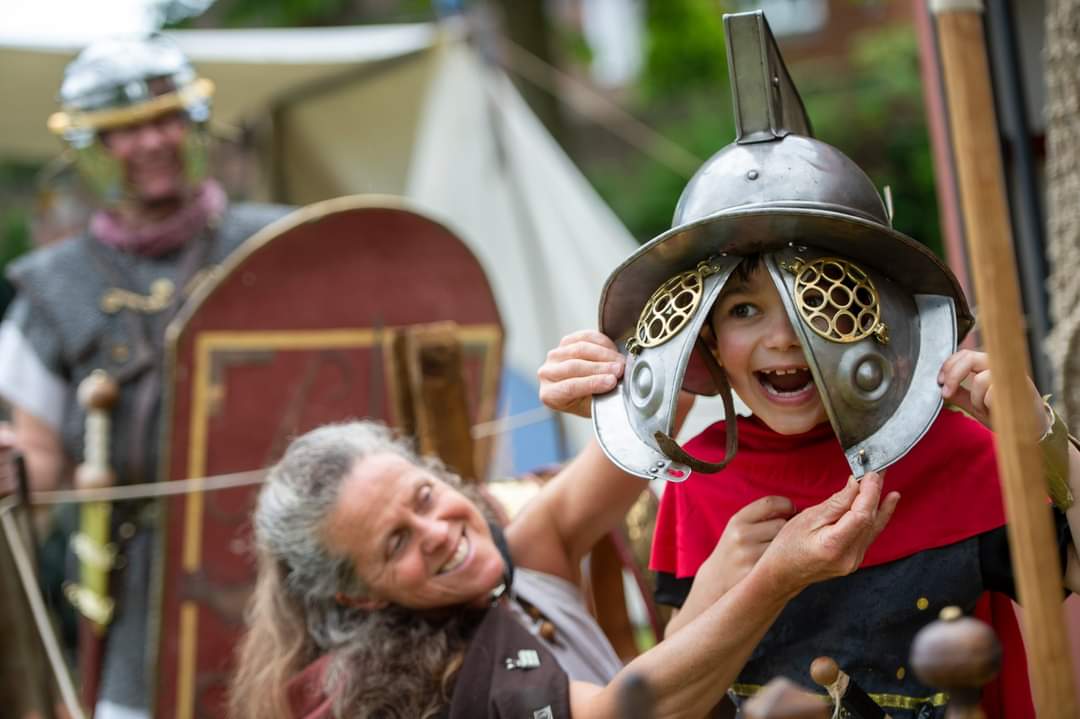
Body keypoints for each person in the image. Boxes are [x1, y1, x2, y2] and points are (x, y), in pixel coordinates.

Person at [535, 11, 1080, 719]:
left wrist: (1039, 439)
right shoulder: (700, 484)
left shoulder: (960, 456)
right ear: (702, 339)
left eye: (816, 299)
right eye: (743, 310)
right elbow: (672, 689)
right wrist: (721, 588)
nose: (784, 338)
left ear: (875, 311)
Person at [229, 419, 896, 719]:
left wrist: (663, 350)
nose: (437, 532)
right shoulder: (438, 685)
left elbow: (637, 436)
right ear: (361, 595)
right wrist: (772, 579)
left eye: (425, 496)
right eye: (394, 541)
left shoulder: (517, 560)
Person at [0, 35, 290, 718]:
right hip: (136, 601)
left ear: (194, 126)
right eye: (122, 130)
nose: (150, 141)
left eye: (165, 119)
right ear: (90, 151)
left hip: (292, 571)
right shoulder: (50, 288)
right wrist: (14, 475)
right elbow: (41, 456)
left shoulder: (283, 243)